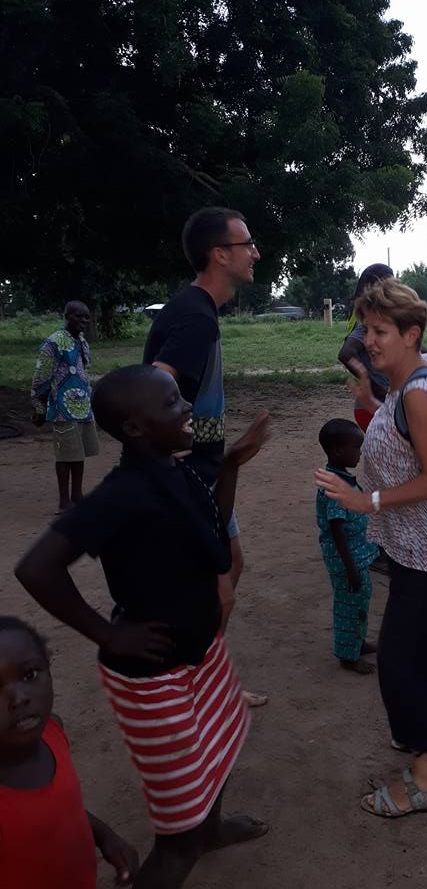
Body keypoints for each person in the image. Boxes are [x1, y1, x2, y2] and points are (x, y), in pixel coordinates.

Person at [15, 365, 271, 889]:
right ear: (134, 428)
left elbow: (213, 533)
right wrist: (107, 633)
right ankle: (197, 837)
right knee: (180, 843)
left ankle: (214, 827)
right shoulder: (123, 493)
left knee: (217, 750)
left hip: (199, 652)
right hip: (154, 674)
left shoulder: (173, 469)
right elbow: (35, 567)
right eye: (174, 404)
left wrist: (233, 464)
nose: (188, 413)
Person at [315, 279, 427, 819]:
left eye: (380, 331)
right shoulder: (406, 386)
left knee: (401, 663)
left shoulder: (422, 393)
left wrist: (367, 501)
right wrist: (370, 402)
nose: (369, 341)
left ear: (411, 333)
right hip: (419, 549)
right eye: (365, 329)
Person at [143, 206, 267, 703]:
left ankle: (208, 679)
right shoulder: (196, 319)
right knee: (212, 586)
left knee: (230, 567)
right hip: (189, 475)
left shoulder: (198, 311)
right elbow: (156, 389)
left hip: (204, 469)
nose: (255, 253)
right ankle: (192, 686)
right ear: (219, 254)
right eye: (247, 244)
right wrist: (186, 463)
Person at [0, 615, 138, 888]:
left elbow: (60, 804)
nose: (19, 699)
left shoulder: (52, 733)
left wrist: (104, 836)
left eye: (29, 675)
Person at [316, 419, 379, 675]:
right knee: (348, 605)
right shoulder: (334, 485)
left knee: (360, 598)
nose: (360, 452)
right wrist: (349, 567)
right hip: (346, 559)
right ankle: (347, 655)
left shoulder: (342, 478)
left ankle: (357, 642)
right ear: (339, 451)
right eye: (356, 447)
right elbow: (336, 528)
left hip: (356, 555)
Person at [30, 300, 99, 513]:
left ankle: (77, 495)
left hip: (83, 407)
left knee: (78, 454)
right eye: (79, 316)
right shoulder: (54, 342)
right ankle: (64, 501)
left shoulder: (81, 342)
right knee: (65, 455)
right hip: (62, 408)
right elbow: (41, 377)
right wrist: (39, 407)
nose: (84, 321)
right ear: (67, 316)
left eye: (87, 317)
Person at [338, 264, 394, 431]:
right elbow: (346, 353)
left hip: (374, 402)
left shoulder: (368, 314)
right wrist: (373, 385)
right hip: (374, 403)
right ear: (374, 285)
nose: (393, 289)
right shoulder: (369, 317)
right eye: (388, 284)